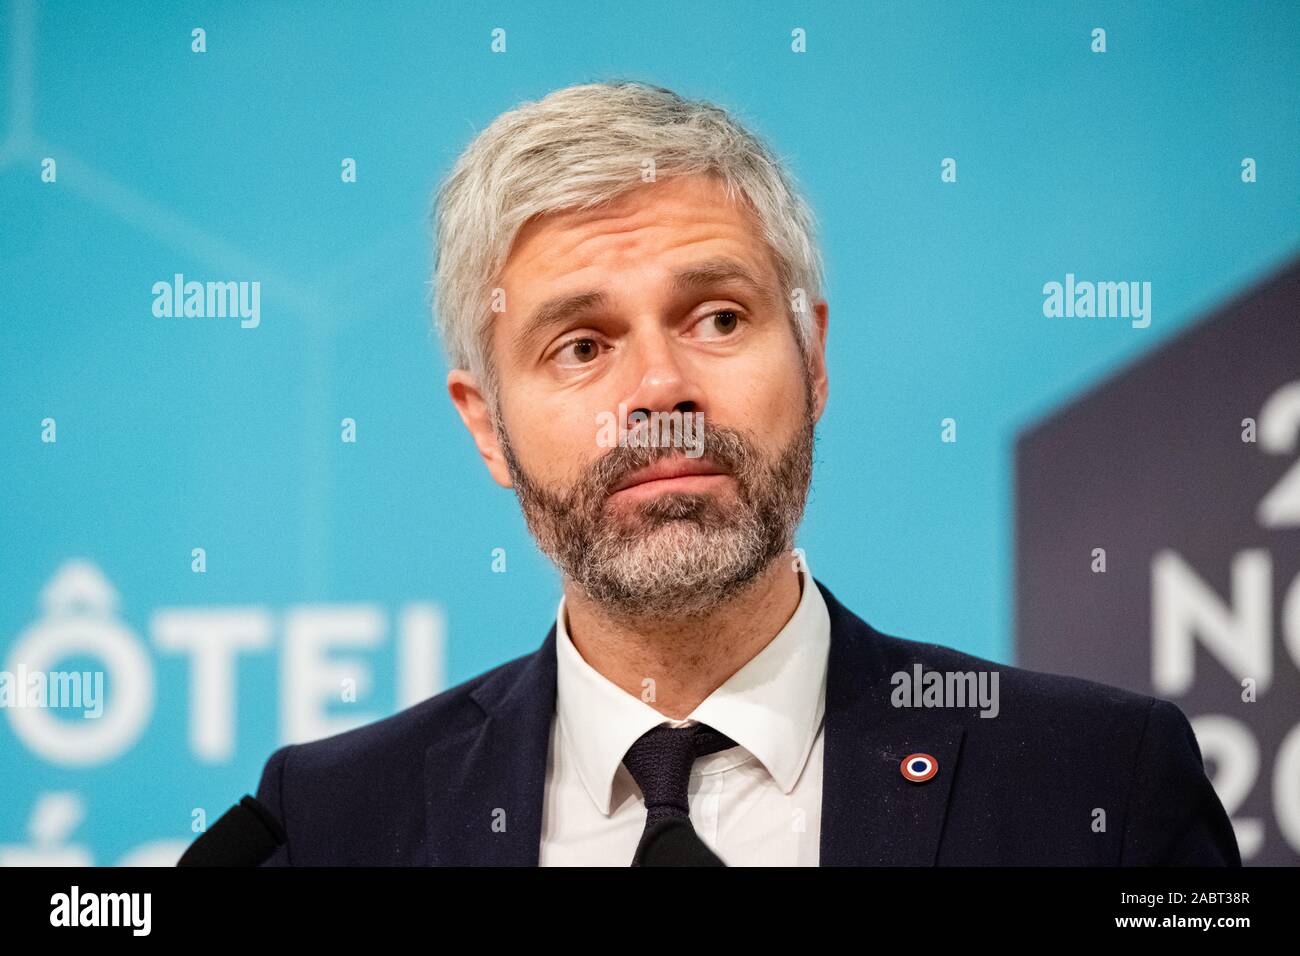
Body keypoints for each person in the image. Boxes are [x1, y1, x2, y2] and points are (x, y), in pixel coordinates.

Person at [254, 81, 1239, 866]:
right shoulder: (334, 820)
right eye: (582, 344)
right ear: (486, 425)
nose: (658, 388)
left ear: (812, 358)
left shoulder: (1094, 783)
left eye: (717, 318)